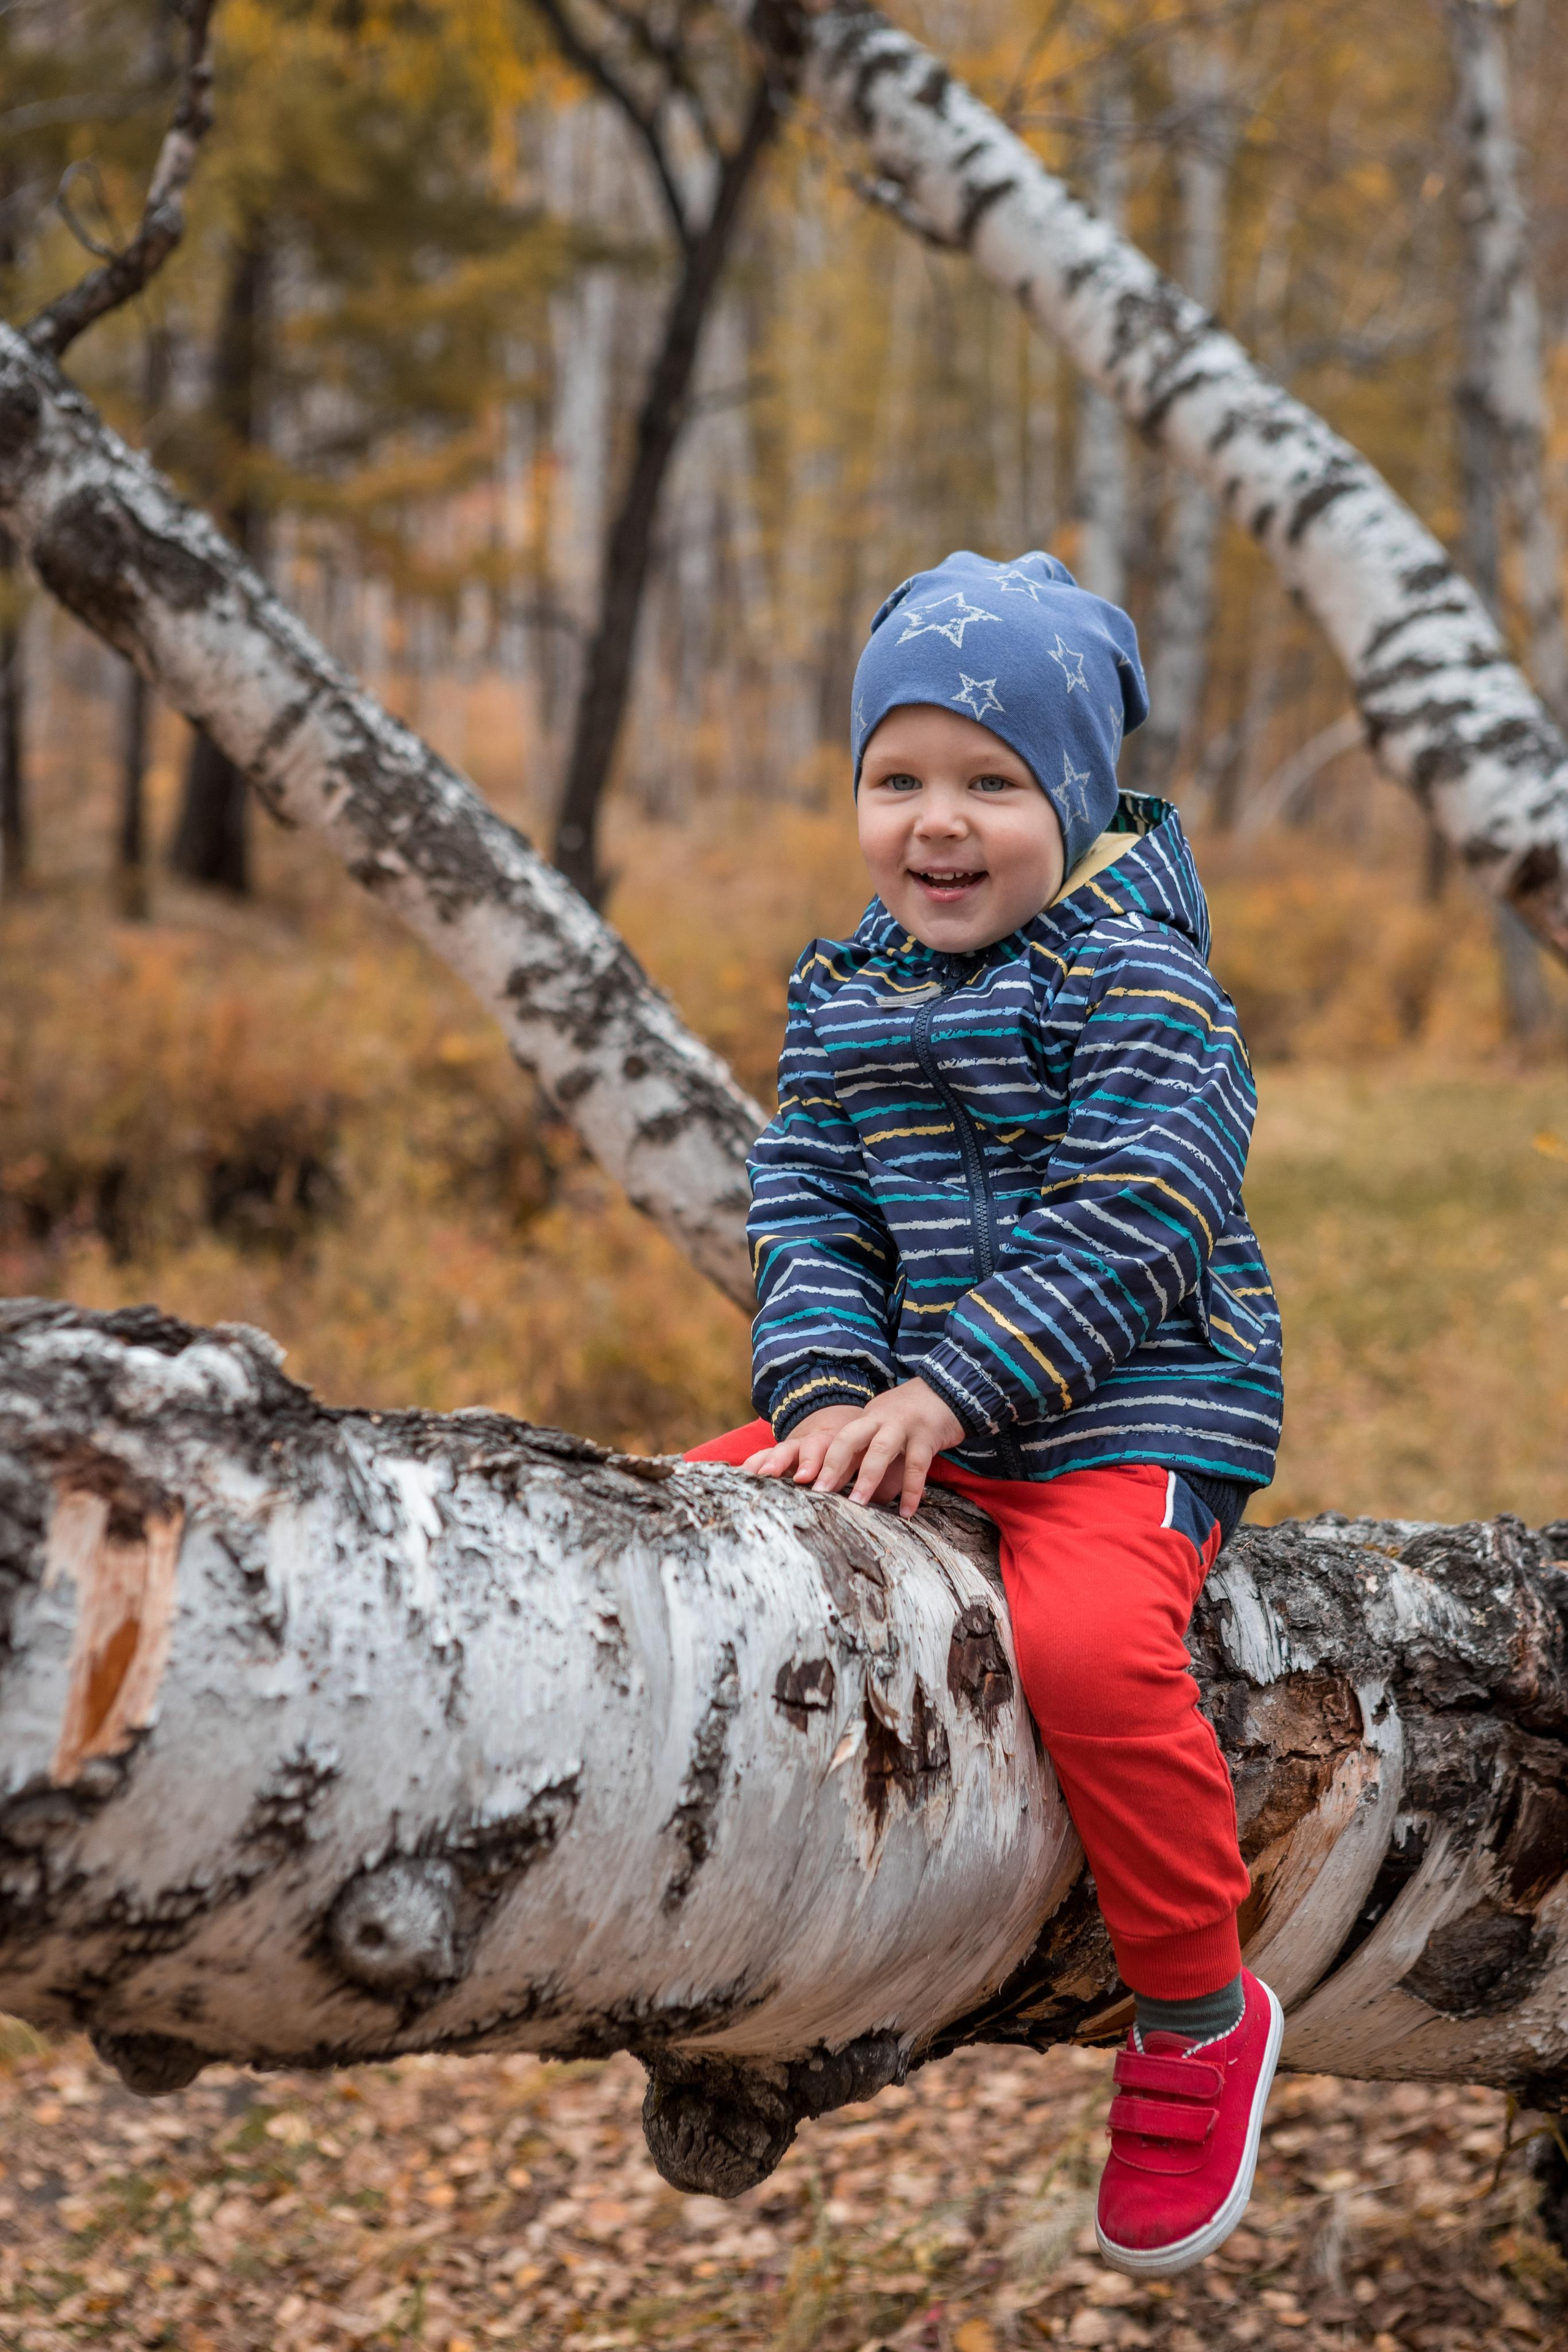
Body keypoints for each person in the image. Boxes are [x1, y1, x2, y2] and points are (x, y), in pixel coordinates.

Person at [687, 548, 1286, 2278]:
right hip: (914, 1413)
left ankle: (1193, 2007)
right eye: (898, 781)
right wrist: (818, 1392)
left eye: (991, 785)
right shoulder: (849, 990)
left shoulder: (1145, 990)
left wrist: (952, 1387)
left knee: (1093, 1652)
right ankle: (746, 1882)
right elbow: (808, 1204)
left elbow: (1142, 1212)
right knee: (702, 1527)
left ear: (1077, 798)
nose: (936, 826)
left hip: (1125, 1417)